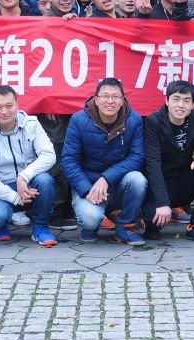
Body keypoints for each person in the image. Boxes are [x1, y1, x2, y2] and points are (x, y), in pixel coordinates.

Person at [61, 77, 148, 245]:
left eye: (115, 97)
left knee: (138, 180)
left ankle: (124, 227)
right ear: (96, 99)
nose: (110, 101)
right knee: (90, 220)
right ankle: (90, 227)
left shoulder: (134, 120)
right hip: (88, 184)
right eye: (105, 96)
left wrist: (106, 178)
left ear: (122, 100)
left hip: (118, 182)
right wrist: (86, 189)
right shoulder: (78, 120)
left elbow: (137, 156)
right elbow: (69, 160)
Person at [0, 85, 58, 247]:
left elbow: (49, 155)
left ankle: (41, 228)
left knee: (45, 180)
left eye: (9, 106)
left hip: (29, 184)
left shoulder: (32, 124)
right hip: (1, 187)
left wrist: (23, 177)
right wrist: (14, 197)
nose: (4, 111)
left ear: (17, 104)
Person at [142, 81, 194, 244]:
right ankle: (153, 221)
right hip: (161, 181)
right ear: (167, 100)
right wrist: (162, 202)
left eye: (186, 100)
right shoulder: (153, 121)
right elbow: (153, 163)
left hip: (185, 179)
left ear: (193, 104)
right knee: (151, 221)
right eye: (176, 99)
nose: (181, 105)